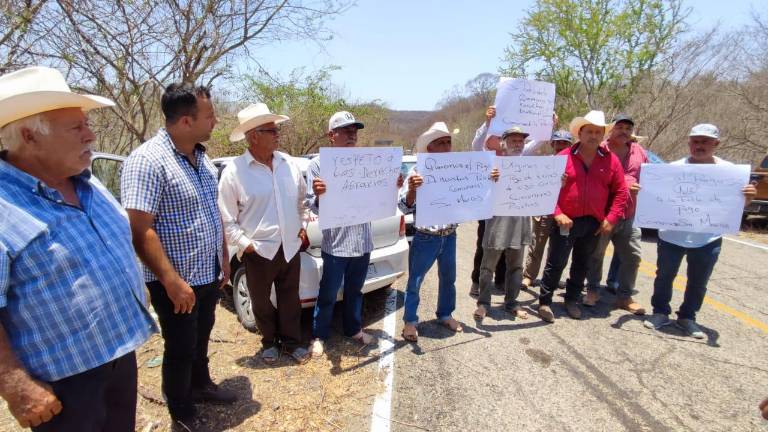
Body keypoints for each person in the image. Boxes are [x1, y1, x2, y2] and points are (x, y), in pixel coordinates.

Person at [0, 66, 156, 431]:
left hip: (119, 358)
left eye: (87, 123)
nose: (90, 134)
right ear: (29, 136)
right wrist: (14, 383)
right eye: (76, 127)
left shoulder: (88, 183)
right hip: (62, 387)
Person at [121, 83, 235, 424]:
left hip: (206, 274)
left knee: (200, 338)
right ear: (186, 121)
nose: (215, 121)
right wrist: (171, 282)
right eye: (210, 115)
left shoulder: (203, 160)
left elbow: (212, 213)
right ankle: (181, 412)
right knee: (180, 347)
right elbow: (140, 230)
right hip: (174, 282)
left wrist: (223, 257)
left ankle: (201, 386)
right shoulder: (147, 161)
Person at [644, 124, 757, 339]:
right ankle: (660, 312)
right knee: (664, 276)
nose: (700, 145)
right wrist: (641, 192)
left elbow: (737, 206)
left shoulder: (730, 173)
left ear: (716, 144)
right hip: (671, 236)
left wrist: (748, 197)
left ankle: (687, 317)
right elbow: (656, 199)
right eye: (695, 141)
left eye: (705, 141)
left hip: (708, 238)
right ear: (689, 143)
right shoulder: (673, 169)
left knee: (698, 282)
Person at [218, 103, 310, 364]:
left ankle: (292, 343)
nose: (277, 134)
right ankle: (269, 342)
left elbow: (302, 202)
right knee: (260, 301)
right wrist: (246, 244)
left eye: (276, 129)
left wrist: (302, 227)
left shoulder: (288, 164)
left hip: (290, 246)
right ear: (253, 136)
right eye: (271, 130)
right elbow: (226, 218)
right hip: (258, 250)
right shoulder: (234, 172)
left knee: (290, 298)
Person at [307, 111, 401, 357]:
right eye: (346, 130)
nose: (352, 135)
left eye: (355, 131)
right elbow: (312, 205)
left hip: (363, 241)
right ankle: (319, 335)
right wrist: (318, 195)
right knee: (328, 294)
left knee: (355, 291)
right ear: (331, 135)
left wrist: (393, 185)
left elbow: (380, 196)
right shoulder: (318, 164)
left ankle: (354, 329)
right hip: (336, 244)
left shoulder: (367, 162)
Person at [399, 122, 499, 341]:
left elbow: (477, 191)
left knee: (448, 279)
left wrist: (490, 179)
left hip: (450, 235)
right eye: (440, 143)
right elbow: (403, 207)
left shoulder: (460, 170)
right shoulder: (416, 173)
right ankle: (410, 321)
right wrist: (413, 191)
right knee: (415, 281)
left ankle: (445, 314)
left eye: (448, 142)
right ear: (429, 148)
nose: (446, 147)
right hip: (426, 237)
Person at [537, 110, 629, 323]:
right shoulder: (562, 157)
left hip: (593, 223)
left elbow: (621, 192)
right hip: (566, 221)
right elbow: (545, 189)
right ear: (580, 133)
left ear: (603, 134)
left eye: (598, 132)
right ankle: (545, 301)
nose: (593, 136)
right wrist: (558, 213)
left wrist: (611, 218)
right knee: (556, 262)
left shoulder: (611, 160)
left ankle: (572, 300)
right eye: (589, 131)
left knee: (582, 263)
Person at [584, 114, 647, 314]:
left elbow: (650, 178)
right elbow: (591, 179)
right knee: (596, 254)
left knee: (632, 257)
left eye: (628, 128)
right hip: (603, 214)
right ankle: (592, 290)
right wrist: (625, 185)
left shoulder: (639, 152)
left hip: (629, 214)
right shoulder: (599, 150)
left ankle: (624, 296)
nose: (624, 131)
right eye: (620, 127)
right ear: (611, 130)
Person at [474, 127, 532, 320]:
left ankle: (512, 303)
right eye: (513, 140)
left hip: (520, 221)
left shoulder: (532, 166)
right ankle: (483, 303)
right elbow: (476, 147)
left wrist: (558, 182)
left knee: (516, 267)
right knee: (487, 267)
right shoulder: (491, 164)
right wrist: (489, 179)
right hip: (497, 222)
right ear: (503, 144)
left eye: (520, 141)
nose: (518, 144)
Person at [521, 130, 573, 289]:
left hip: (565, 212)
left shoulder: (574, 165)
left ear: (570, 146)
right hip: (544, 210)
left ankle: (551, 278)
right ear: (552, 144)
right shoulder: (544, 162)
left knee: (558, 248)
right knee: (536, 244)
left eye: (565, 143)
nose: (561, 146)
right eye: (558, 142)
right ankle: (528, 276)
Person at [469, 106, 505, 296]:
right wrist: (488, 122)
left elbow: (534, 145)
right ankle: (477, 281)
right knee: (483, 246)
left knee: (505, 246)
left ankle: (501, 280)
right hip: (486, 209)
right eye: (496, 137)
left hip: (507, 208)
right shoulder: (481, 155)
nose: (500, 140)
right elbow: (476, 142)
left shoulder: (514, 156)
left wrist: (550, 126)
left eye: (502, 137)